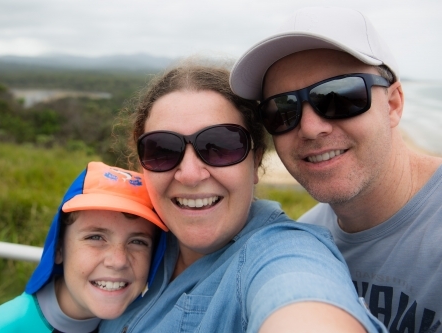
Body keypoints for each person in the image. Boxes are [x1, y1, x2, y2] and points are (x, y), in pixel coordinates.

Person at [99, 61, 387, 333]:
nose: (189, 174)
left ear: (255, 162)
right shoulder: (131, 238)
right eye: (162, 150)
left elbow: (300, 294)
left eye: (220, 146)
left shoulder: (281, 252)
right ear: (141, 164)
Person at [229, 6, 442, 333]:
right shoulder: (309, 239)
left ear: (394, 104)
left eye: (340, 97)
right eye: (282, 110)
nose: (312, 128)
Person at [0, 161, 168, 333]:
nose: (118, 260)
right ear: (58, 249)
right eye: (95, 237)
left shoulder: (150, 323)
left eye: (138, 241)